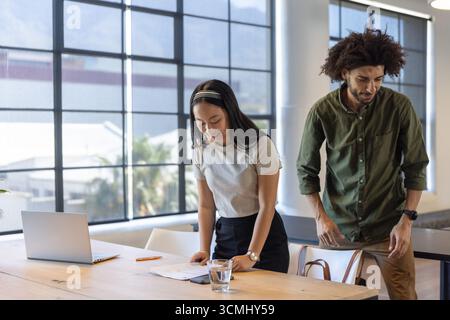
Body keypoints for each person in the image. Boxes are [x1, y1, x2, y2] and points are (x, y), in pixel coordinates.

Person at [297, 30, 429, 299]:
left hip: (389, 228)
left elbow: (415, 167)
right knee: (337, 298)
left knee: (405, 296)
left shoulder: (399, 107)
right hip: (338, 229)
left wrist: (406, 222)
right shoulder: (322, 111)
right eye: (363, 79)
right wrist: (321, 218)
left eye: (378, 79)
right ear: (345, 73)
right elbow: (305, 170)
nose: (371, 87)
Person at [189, 79, 289, 273]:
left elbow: (267, 206)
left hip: (263, 241)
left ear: (230, 112)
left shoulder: (260, 145)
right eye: (201, 123)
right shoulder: (200, 151)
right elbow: (206, 206)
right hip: (225, 235)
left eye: (215, 120)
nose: (209, 130)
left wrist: (252, 255)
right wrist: (204, 249)